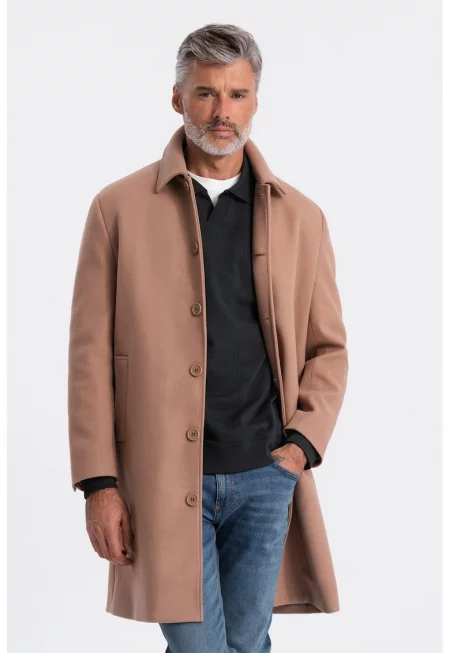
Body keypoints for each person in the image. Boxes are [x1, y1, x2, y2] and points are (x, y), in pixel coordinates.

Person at [68, 23, 349, 653]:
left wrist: (300, 447)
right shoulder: (118, 210)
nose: (222, 111)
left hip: (266, 474)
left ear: (255, 102)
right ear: (177, 98)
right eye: (205, 93)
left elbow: (328, 347)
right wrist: (98, 483)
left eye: (237, 94)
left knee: (248, 645)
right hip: (162, 478)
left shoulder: (301, 217)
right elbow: (88, 358)